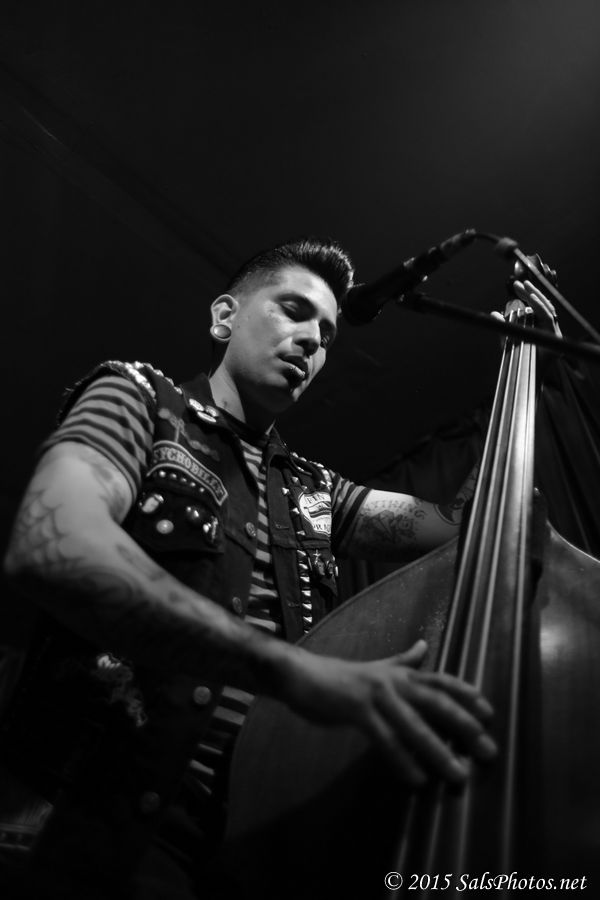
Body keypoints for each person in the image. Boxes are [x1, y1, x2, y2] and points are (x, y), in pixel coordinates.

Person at [0, 237, 554, 899]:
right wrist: (294, 671)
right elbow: (52, 545)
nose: (312, 341)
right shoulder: (142, 399)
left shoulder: (314, 492)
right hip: (73, 820)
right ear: (224, 317)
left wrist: (523, 364)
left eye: (326, 335)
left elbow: (465, 527)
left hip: (227, 854)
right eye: (293, 311)